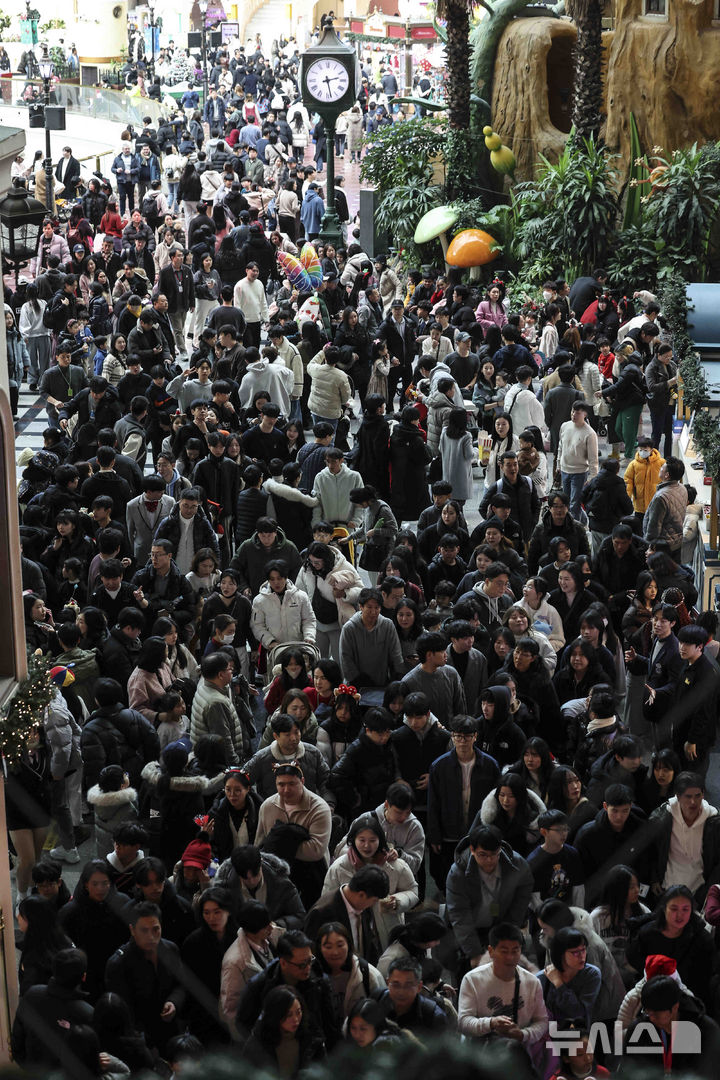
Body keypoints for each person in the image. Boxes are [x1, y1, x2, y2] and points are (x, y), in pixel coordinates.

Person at [446, 823, 534, 968]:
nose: (489, 860)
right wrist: (474, 954)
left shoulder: (517, 865)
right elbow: (460, 915)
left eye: (494, 854)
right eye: (483, 855)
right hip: (471, 930)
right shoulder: (457, 873)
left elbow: (522, 897)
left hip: (502, 924)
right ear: (472, 850)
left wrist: (508, 933)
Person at [235, 929, 339, 1049]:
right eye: (301, 965)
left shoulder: (319, 981)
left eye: (310, 960)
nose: (308, 968)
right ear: (283, 963)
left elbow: (330, 1026)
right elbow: (243, 1023)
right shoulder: (260, 985)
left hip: (311, 1050)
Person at [104, 901, 184, 1054]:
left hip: (170, 1030)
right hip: (137, 1040)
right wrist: (143, 1044)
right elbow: (124, 1013)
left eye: (155, 930)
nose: (151, 936)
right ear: (132, 930)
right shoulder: (119, 963)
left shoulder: (170, 950)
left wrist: (173, 1002)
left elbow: (181, 984)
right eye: (144, 931)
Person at [457, 921, 548, 1054]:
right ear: (491, 951)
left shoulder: (532, 982)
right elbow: (463, 1022)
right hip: (480, 1055)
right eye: (504, 951)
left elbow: (542, 1021)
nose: (510, 957)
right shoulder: (472, 979)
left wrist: (522, 1035)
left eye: (515, 951)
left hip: (516, 1054)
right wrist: (491, 1023)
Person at [621, 974, 720, 1080]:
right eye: (648, 1012)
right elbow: (628, 1070)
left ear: (675, 1007)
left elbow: (708, 1073)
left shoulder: (706, 1031)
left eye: (656, 1013)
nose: (651, 1018)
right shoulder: (639, 1029)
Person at [537, 926, 601, 1030]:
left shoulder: (591, 974)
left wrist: (559, 983)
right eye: (575, 952)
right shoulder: (541, 979)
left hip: (578, 1035)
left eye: (583, 950)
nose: (582, 956)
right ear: (560, 954)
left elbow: (578, 1013)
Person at [643, 457, 689, 560]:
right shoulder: (682, 488)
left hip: (663, 546)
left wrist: (651, 546)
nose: (660, 469)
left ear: (667, 475)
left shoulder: (661, 497)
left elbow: (654, 526)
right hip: (677, 542)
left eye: (661, 469)